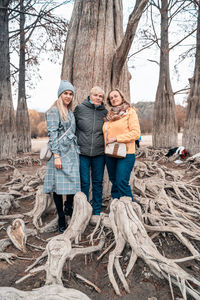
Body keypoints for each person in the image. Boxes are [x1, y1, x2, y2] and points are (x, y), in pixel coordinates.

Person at [43, 80, 80, 233]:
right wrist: (56, 155)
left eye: (71, 94)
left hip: (71, 153)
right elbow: (52, 134)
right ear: (60, 94)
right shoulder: (54, 111)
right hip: (60, 153)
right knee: (58, 188)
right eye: (65, 93)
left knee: (72, 184)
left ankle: (69, 207)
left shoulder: (70, 112)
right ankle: (60, 218)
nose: (68, 96)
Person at [74, 86, 107, 223]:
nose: (98, 98)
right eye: (95, 95)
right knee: (85, 182)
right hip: (82, 152)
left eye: (101, 96)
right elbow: (73, 128)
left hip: (100, 153)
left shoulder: (105, 112)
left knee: (98, 182)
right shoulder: (80, 109)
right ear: (90, 95)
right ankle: (84, 210)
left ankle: (97, 210)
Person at [103, 88, 141, 201]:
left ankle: (130, 211)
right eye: (111, 98)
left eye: (116, 96)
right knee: (114, 182)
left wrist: (116, 138)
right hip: (110, 153)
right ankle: (117, 209)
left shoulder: (130, 112)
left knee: (121, 182)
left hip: (126, 153)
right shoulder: (109, 116)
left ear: (121, 97)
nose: (114, 99)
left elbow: (136, 133)